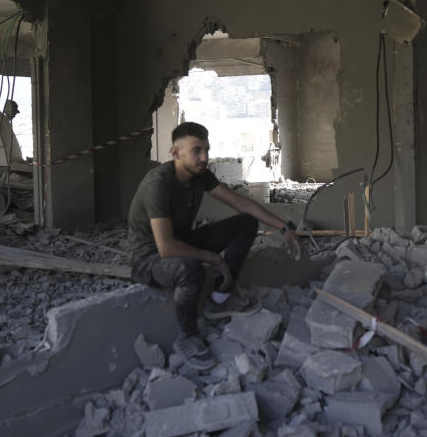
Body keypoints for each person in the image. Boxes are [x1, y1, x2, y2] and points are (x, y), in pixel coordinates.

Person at [127, 122, 301, 369]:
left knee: (246, 222)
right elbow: (166, 248)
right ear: (175, 152)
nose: (204, 157)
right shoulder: (159, 183)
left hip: (180, 243)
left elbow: (239, 202)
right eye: (196, 150)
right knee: (190, 269)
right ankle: (188, 336)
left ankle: (220, 298)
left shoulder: (200, 176)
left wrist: (285, 227)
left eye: (206, 150)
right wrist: (215, 258)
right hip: (148, 258)